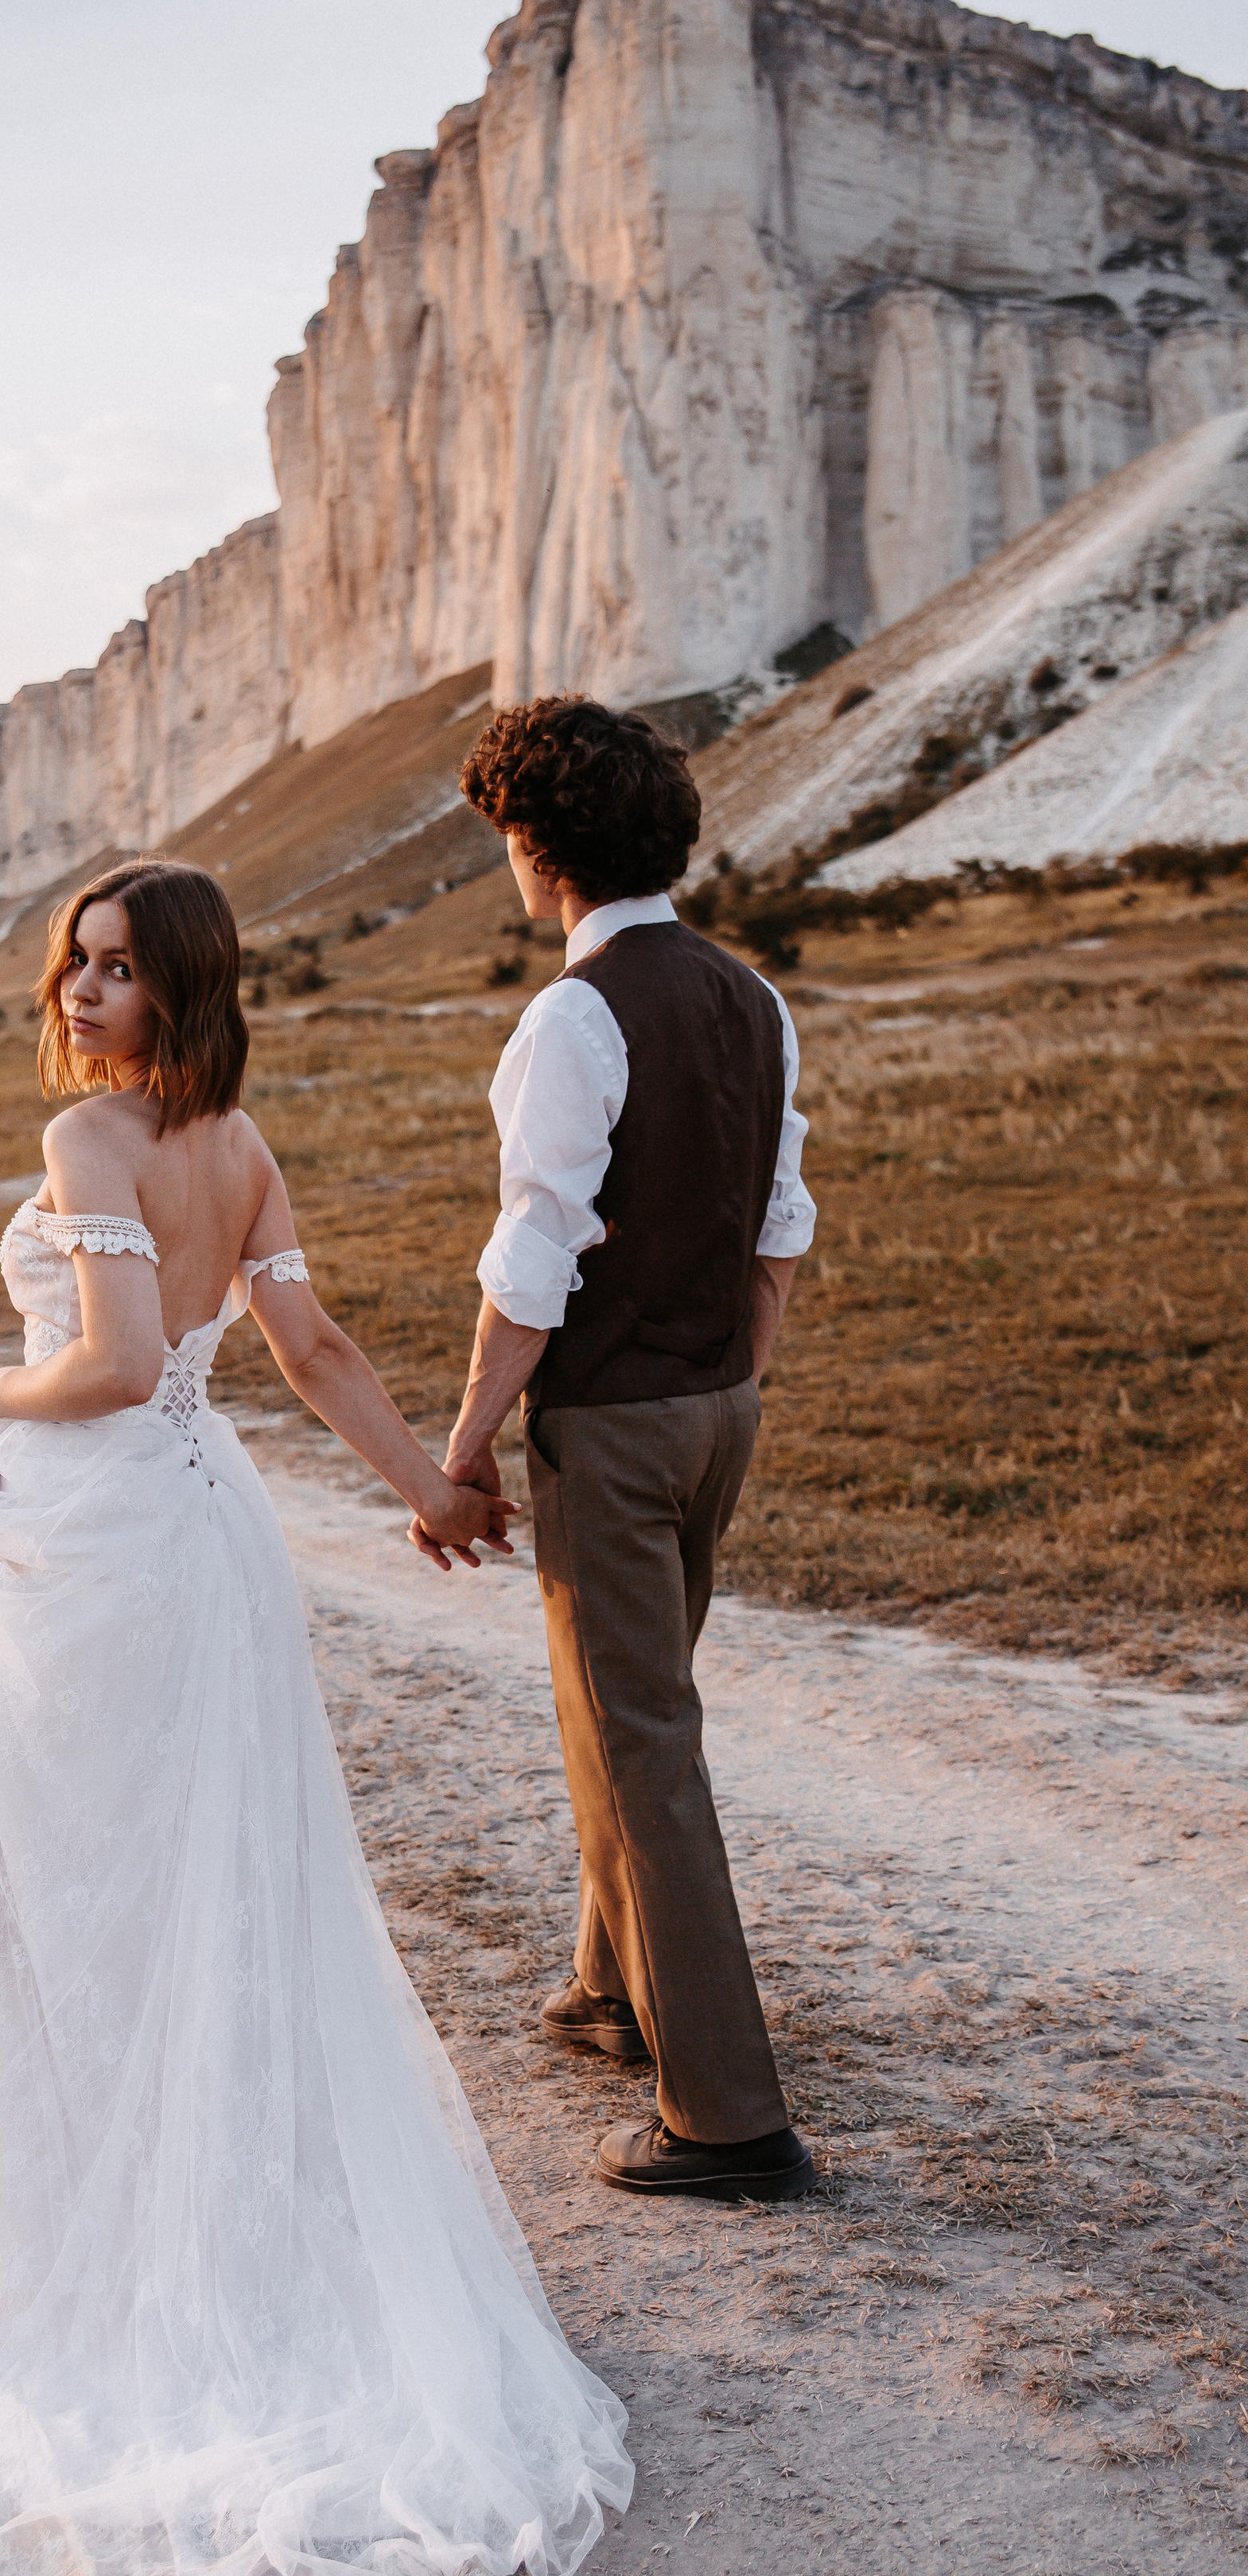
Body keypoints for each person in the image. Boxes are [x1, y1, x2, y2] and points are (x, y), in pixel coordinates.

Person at [0, 858, 632, 2576]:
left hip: (94, 1545)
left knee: (78, 1888)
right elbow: (310, 1349)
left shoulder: (95, 1148)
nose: (87, 994)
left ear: (183, 985)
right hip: (204, 1543)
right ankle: (207, 2216)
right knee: (197, 1885)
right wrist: (425, 1482)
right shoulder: (239, 1145)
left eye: (120, 970)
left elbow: (111, 1367)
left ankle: (109, 2249)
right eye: (75, 965)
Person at [417, 696, 818, 2203]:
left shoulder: (571, 1018)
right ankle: (609, 1993)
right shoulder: (753, 995)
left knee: (643, 1744)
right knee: (625, 1710)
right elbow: (780, 1225)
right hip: (721, 1409)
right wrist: (733, 1383)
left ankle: (724, 2116)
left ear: (537, 847)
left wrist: (466, 1443)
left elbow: (534, 1260)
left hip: (616, 1423)